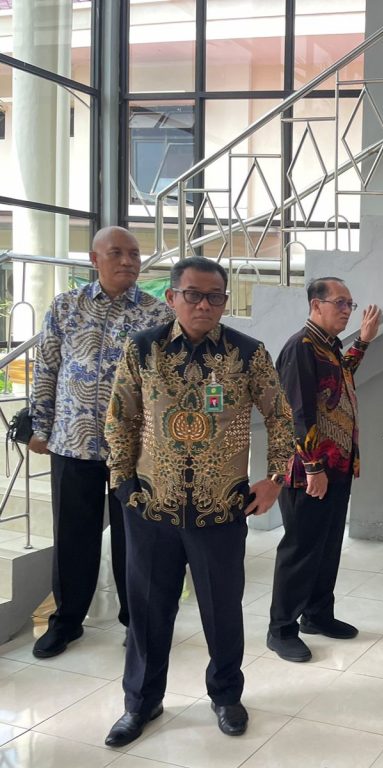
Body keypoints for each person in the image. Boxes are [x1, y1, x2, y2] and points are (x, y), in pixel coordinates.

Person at [102, 256, 293, 747]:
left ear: (225, 301)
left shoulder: (247, 353)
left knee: (222, 611)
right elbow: (120, 416)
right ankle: (140, 703)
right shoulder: (142, 349)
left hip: (221, 511)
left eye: (215, 296)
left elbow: (281, 417)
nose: (204, 305)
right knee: (147, 613)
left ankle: (226, 696)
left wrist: (274, 479)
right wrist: (122, 482)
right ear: (172, 297)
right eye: (193, 294)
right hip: (151, 508)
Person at [28, 226, 173, 659]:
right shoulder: (65, 306)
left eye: (135, 253)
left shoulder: (157, 313)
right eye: (117, 253)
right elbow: (47, 367)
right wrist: (40, 426)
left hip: (134, 452)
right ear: (94, 259)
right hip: (72, 443)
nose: (128, 261)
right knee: (72, 537)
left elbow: (166, 384)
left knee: (135, 540)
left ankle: (137, 621)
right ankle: (67, 621)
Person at [266, 277, 381, 662]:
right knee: (300, 550)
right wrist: (313, 467)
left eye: (350, 304)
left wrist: (363, 341)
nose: (347, 310)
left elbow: (341, 378)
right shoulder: (300, 347)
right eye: (340, 303)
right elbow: (296, 413)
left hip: (337, 467)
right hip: (309, 471)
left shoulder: (328, 346)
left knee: (327, 546)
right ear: (316, 305)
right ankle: (280, 629)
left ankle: (316, 615)